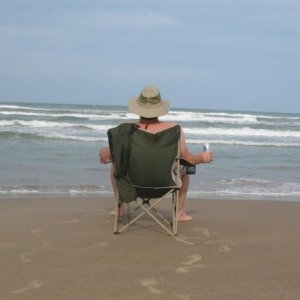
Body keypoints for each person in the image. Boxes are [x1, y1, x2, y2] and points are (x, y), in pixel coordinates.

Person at [99, 85, 214, 221]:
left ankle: (120, 208)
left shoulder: (125, 130)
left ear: (139, 108)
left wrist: (102, 153)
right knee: (185, 170)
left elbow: (106, 156)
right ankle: (179, 213)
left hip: (132, 184)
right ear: (159, 108)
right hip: (165, 185)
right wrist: (202, 157)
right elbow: (189, 159)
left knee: (115, 168)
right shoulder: (174, 129)